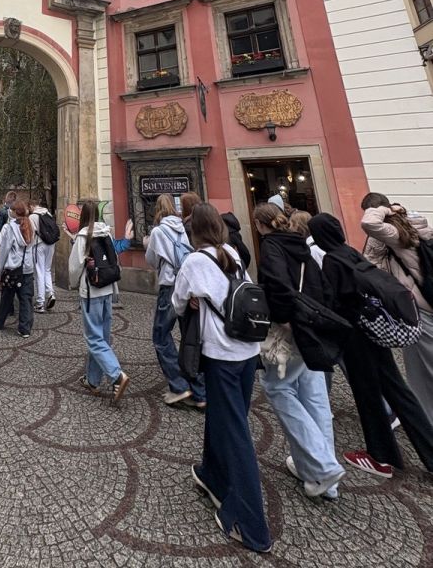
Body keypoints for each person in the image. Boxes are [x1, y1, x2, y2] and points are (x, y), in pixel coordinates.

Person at [172, 203, 271, 554]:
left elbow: (177, 302)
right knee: (224, 417)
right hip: (248, 352)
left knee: (237, 434)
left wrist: (194, 300)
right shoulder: (232, 252)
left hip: (222, 355)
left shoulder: (194, 261)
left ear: (194, 232)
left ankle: (251, 525)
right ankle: (213, 476)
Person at [308, 212, 433, 478]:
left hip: (356, 336)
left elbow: (335, 302)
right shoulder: (351, 252)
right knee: (399, 391)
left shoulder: (332, 260)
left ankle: (381, 456)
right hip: (376, 330)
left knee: (367, 395)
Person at [254, 203, 344, 500]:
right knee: (315, 397)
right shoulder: (301, 243)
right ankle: (321, 476)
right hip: (311, 328)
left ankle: (323, 464)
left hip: (291, 329)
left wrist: (284, 318)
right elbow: (324, 287)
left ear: (260, 224)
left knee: (277, 388)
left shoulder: (271, 246)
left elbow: (278, 286)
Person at [361, 193, 433, 413]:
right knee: (418, 366)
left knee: (424, 367)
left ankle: (426, 416)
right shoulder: (417, 224)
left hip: (419, 306)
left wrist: (385, 210)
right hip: (426, 299)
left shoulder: (395, 232)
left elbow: (369, 223)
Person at [145, 194, 205, 408]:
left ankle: (179, 386)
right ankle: (201, 392)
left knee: (161, 336)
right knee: (189, 336)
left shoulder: (158, 231)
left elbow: (152, 261)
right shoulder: (183, 227)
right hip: (186, 284)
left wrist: (148, 244)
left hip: (169, 286)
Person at [68, 201, 129, 402]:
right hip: (108, 288)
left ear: (83, 216)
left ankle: (116, 375)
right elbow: (114, 260)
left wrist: (73, 284)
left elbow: (74, 267)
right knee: (102, 336)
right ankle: (93, 380)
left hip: (91, 291)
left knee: (94, 338)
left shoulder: (83, 236)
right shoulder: (106, 233)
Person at [0, 199, 35, 337]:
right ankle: (25, 328)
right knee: (26, 299)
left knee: (7, 297)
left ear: (15, 212)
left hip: (13, 268)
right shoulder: (31, 225)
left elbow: (4, 250)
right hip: (27, 268)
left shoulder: (10, 228)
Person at [31, 200, 57, 314]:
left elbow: (31, 234)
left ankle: (40, 303)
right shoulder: (48, 214)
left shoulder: (32, 216)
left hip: (39, 245)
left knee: (39, 272)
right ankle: (50, 293)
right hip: (51, 244)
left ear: (32, 206)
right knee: (47, 270)